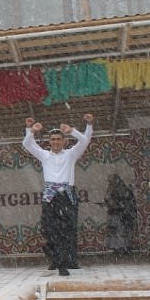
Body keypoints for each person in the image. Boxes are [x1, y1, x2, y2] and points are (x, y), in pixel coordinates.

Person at [22, 113, 93, 276]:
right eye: (53, 139)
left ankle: (63, 262)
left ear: (64, 141)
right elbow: (27, 144)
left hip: (66, 197)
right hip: (50, 197)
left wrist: (73, 130)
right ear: (49, 142)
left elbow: (84, 141)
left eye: (58, 139)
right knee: (48, 230)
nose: (55, 142)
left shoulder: (71, 154)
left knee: (66, 230)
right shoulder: (44, 155)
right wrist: (30, 130)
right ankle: (55, 258)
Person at [104, 174, 137, 255]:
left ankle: (123, 248)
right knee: (116, 232)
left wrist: (115, 204)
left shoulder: (122, 189)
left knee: (121, 232)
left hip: (121, 214)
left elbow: (124, 202)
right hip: (115, 213)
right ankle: (118, 248)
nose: (110, 183)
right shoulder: (112, 189)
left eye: (111, 181)